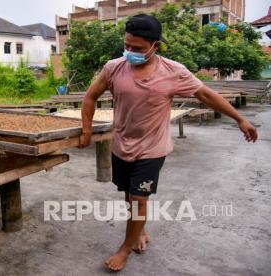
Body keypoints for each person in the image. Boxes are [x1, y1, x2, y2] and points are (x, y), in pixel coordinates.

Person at [78, 14, 258, 272]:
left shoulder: (174, 72)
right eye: (127, 46)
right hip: (121, 145)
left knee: (139, 198)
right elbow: (90, 97)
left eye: (137, 48)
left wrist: (240, 119)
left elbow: (206, 94)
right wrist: (86, 129)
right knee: (130, 196)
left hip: (152, 148)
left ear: (156, 46)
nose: (130, 52)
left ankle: (125, 248)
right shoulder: (113, 67)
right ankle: (139, 231)